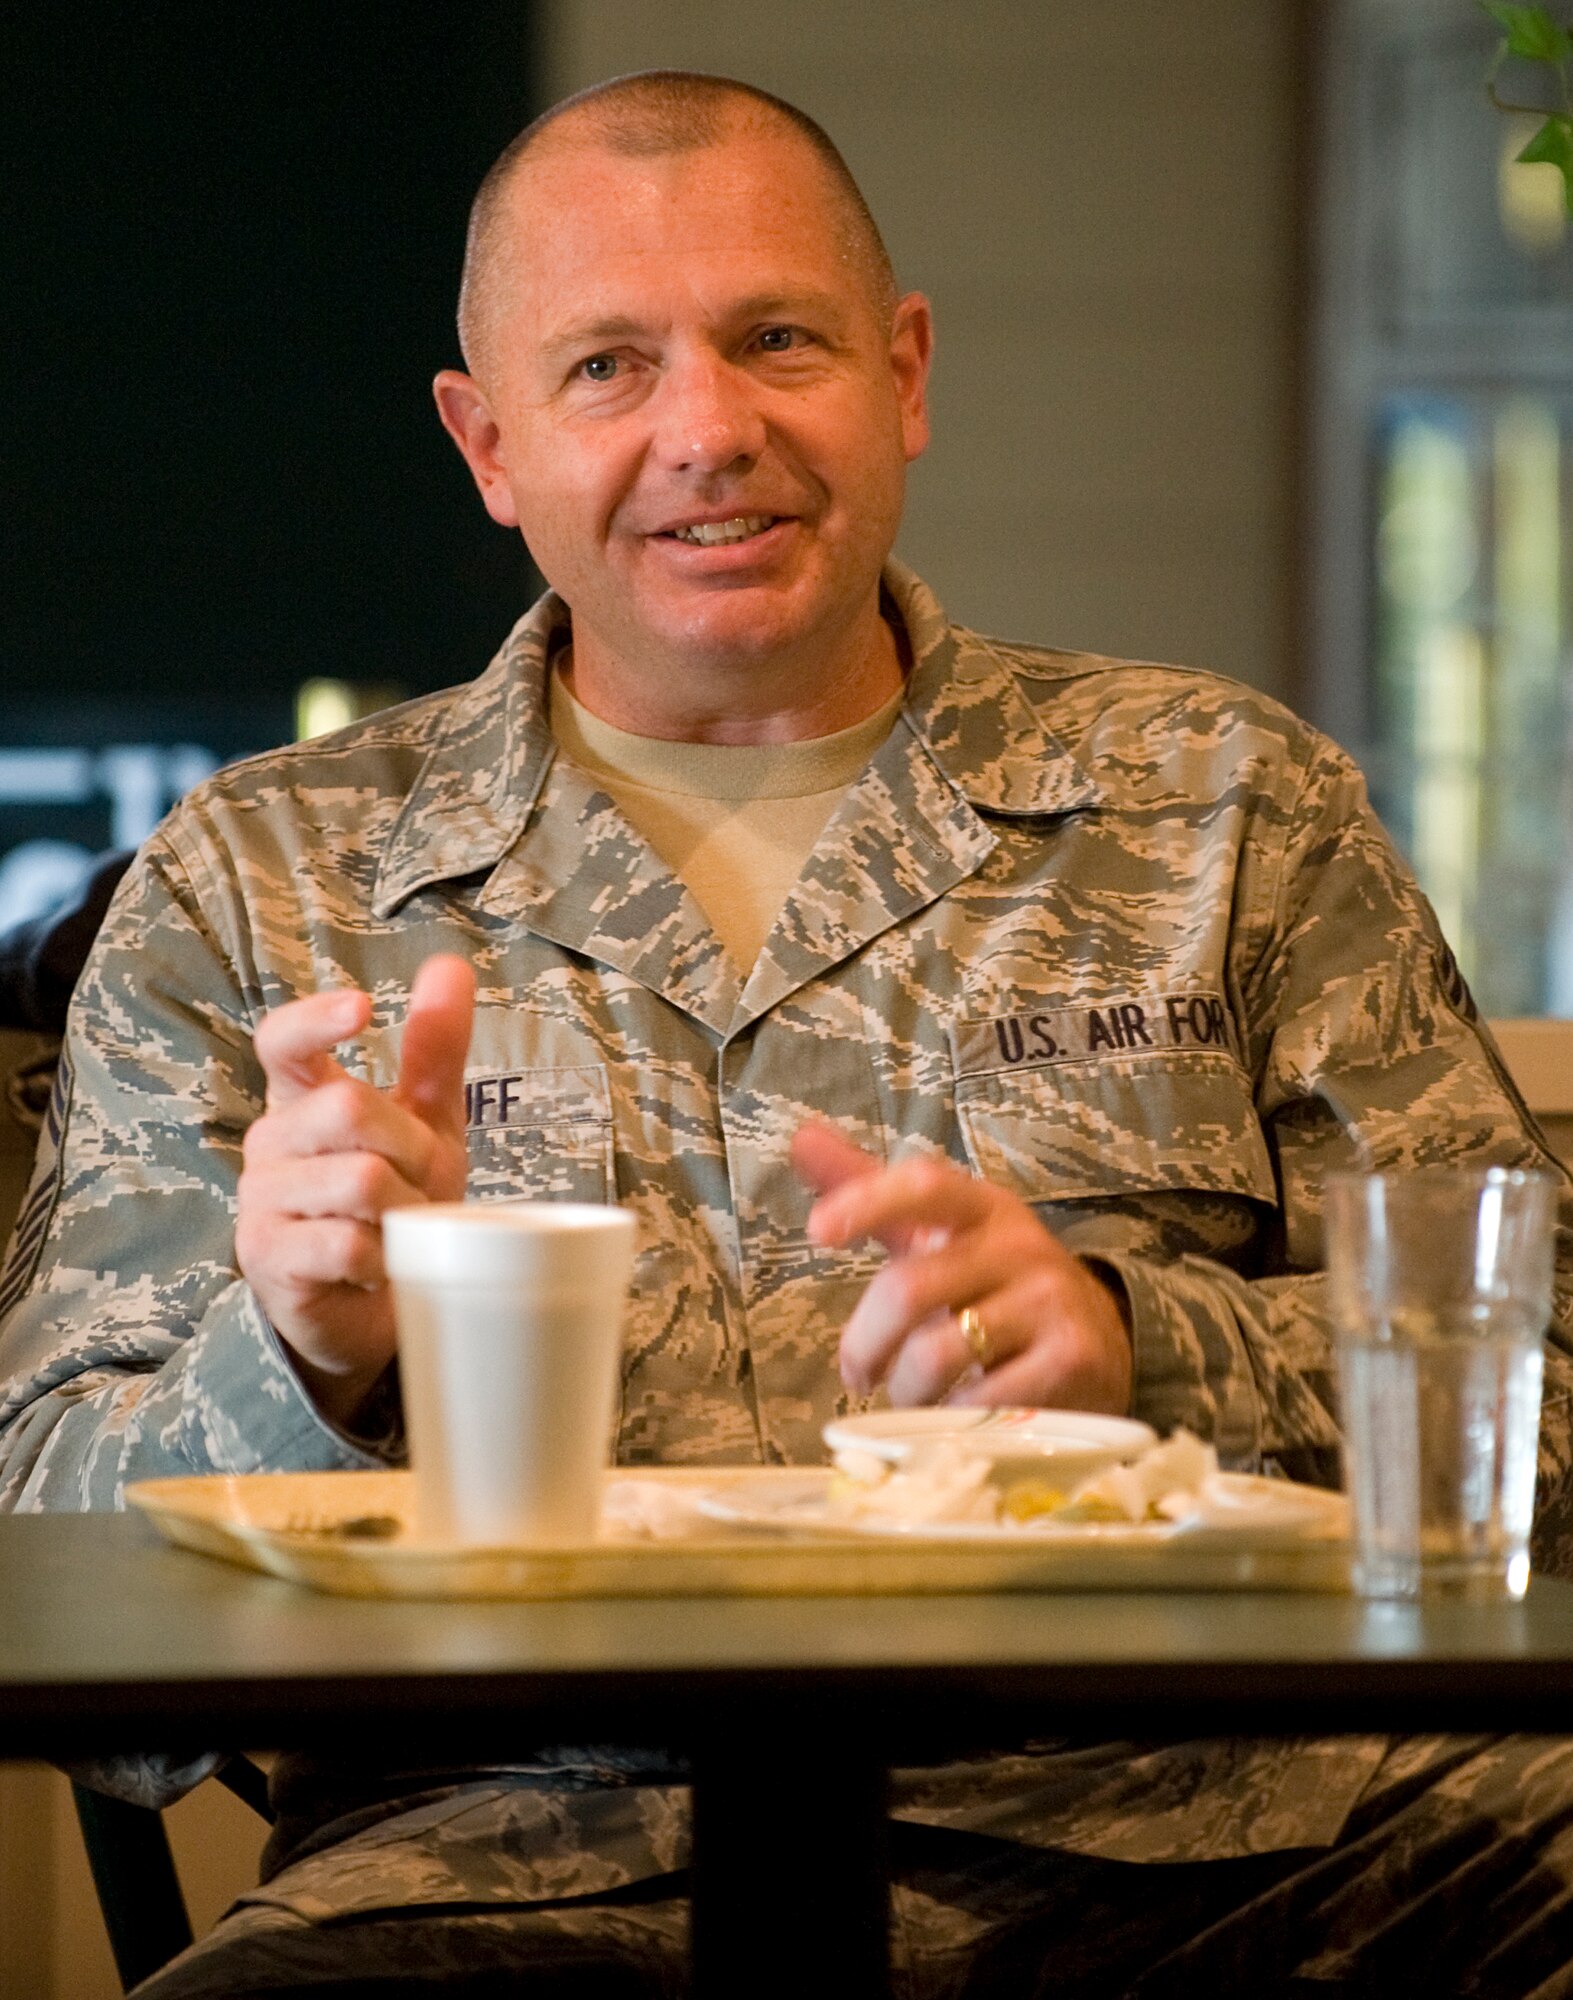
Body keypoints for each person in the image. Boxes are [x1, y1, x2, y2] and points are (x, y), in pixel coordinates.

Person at [3, 69, 1573, 1999]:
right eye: (605, 369)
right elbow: (54, 1607)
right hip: (512, 1881)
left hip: (1264, 1845)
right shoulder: (262, 885)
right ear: (486, 444)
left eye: (775, 340)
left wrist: (1141, 1342)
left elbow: (1547, 1406)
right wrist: (298, 1355)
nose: (708, 434)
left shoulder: (1224, 808)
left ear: (902, 373)